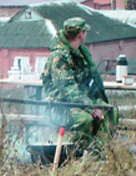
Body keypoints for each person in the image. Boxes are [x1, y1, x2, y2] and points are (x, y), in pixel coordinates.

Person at [41, 17, 116, 151]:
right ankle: (76, 153)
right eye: (84, 31)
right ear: (81, 34)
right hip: (61, 106)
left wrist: (97, 102)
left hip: (81, 102)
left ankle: (100, 152)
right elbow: (68, 90)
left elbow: (88, 82)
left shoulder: (80, 53)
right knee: (85, 119)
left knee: (111, 111)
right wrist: (92, 107)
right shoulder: (59, 57)